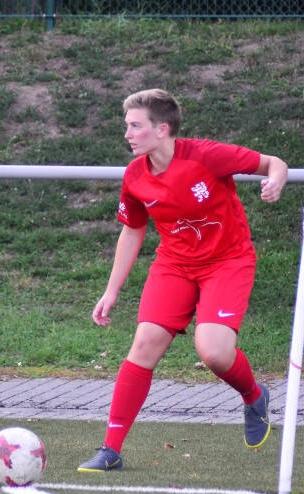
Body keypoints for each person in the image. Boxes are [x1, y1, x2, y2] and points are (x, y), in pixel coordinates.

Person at [78, 89, 288, 472]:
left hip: (227, 261)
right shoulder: (135, 174)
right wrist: (111, 291)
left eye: (135, 126)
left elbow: (274, 162)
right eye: (127, 126)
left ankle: (254, 396)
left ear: (162, 129)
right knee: (143, 345)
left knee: (214, 352)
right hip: (174, 265)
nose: (127, 133)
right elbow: (132, 231)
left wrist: (275, 181)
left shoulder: (207, 156)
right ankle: (110, 449)